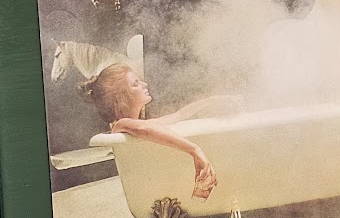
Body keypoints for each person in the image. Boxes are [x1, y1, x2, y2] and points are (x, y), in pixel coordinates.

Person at [79, 64, 236, 199]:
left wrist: (212, 100)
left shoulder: (135, 126)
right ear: (121, 98)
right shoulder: (121, 125)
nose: (145, 84)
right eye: (136, 84)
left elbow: (178, 115)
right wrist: (194, 150)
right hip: (148, 191)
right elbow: (145, 130)